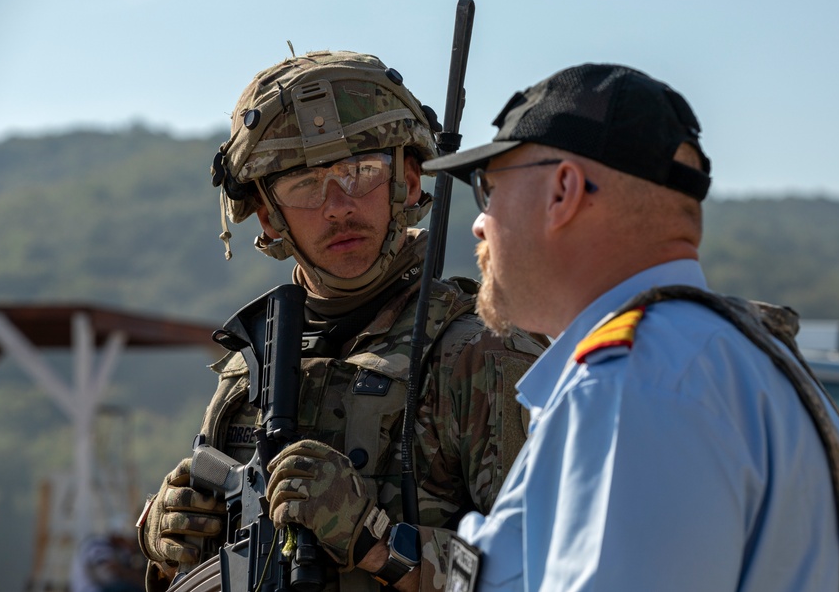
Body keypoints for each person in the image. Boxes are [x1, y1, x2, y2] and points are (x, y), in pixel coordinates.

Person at [422, 63, 839, 591]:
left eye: (488, 189)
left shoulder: (637, 383)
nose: (479, 221)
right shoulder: (728, 358)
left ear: (563, 191)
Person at [136, 50, 546, 592]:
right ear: (267, 213)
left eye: (359, 172)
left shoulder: (483, 356)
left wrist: (379, 544)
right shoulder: (252, 365)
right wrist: (164, 537)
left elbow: (548, 567)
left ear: (409, 178)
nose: (336, 206)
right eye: (304, 185)